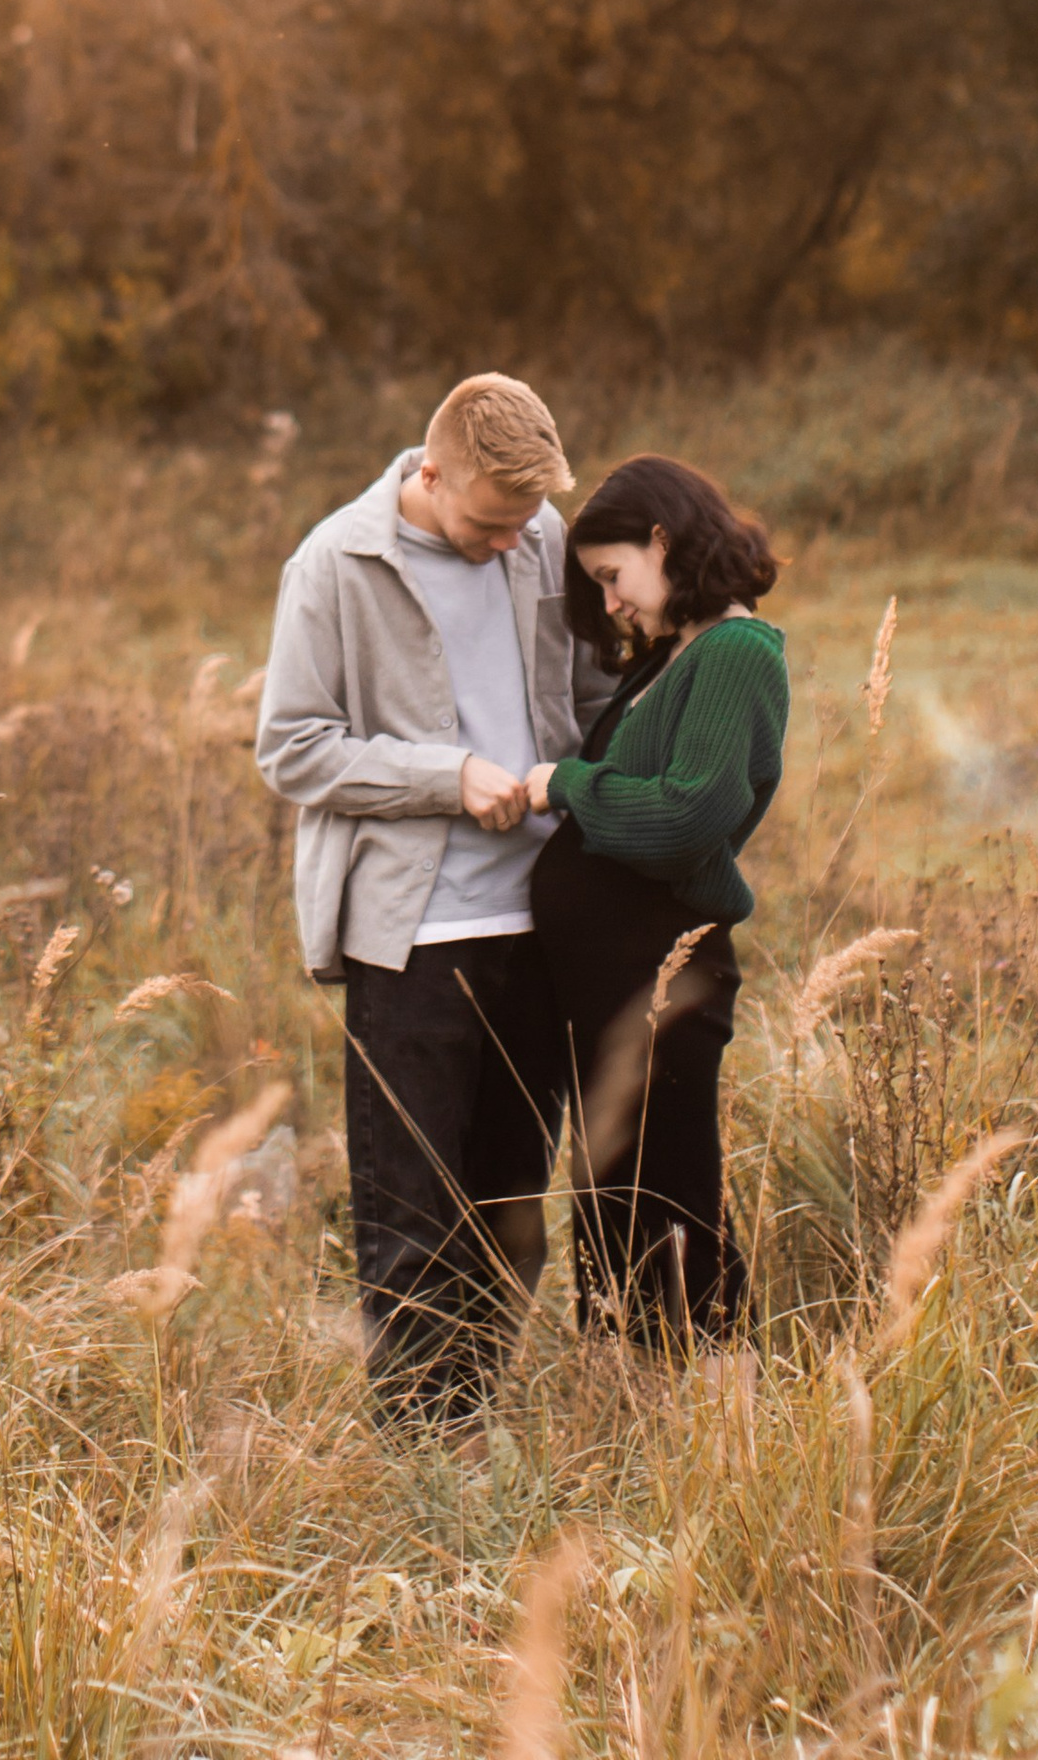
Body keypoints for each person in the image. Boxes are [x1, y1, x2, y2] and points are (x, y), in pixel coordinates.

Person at [254, 373, 609, 1428]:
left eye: (524, 523)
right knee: (411, 1214)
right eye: (487, 521)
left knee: (513, 1214)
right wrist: (445, 777)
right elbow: (292, 747)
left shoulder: (538, 536)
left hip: (538, 926)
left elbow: (587, 700)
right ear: (432, 470)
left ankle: (473, 1418)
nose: (510, 543)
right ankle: (424, 1458)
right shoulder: (332, 564)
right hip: (409, 939)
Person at [519, 452, 786, 1348]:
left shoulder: (737, 653)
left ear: (664, 541)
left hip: (666, 982)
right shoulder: (675, 655)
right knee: (616, 1212)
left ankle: (725, 1439)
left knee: (675, 1213)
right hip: (617, 989)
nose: (610, 604)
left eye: (612, 576)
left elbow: (685, 816)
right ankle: (639, 1439)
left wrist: (567, 784)